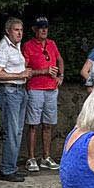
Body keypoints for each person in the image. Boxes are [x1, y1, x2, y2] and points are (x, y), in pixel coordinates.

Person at [0, 17, 31, 183]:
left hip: (20, 90)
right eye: (16, 30)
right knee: (13, 131)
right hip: (10, 91)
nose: (20, 33)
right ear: (8, 31)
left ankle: (11, 167)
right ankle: (7, 169)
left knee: (18, 130)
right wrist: (19, 75)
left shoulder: (16, 47)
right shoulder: (3, 48)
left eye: (21, 30)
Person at [22, 18, 64, 171]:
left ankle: (46, 157)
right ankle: (31, 157)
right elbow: (25, 69)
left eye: (46, 27)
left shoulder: (52, 44)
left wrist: (61, 76)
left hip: (51, 88)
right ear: (35, 29)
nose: (44, 30)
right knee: (33, 124)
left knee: (48, 124)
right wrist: (44, 71)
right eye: (40, 28)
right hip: (35, 88)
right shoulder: (28, 46)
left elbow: (59, 60)